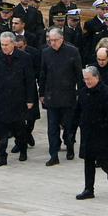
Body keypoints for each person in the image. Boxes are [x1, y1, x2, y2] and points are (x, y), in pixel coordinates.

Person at [75, 65, 108, 199]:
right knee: (88, 161)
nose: (87, 82)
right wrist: (71, 128)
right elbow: (78, 111)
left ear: (96, 77)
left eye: (89, 79)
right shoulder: (83, 92)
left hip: (103, 133)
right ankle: (89, 189)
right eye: (85, 79)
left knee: (104, 162)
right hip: (88, 132)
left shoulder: (107, 92)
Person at [0, 31, 36, 165]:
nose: (3, 47)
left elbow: (29, 80)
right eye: (2, 44)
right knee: (2, 131)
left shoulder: (24, 57)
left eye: (6, 44)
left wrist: (30, 99)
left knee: (19, 130)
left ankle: (23, 150)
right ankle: (2, 157)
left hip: (18, 99)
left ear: (13, 44)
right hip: (1, 99)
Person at [39, 28, 80, 165]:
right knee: (52, 128)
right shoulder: (46, 53)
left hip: (68, 96)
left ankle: (69, 147)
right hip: (52, 97)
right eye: (50, 40)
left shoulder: (72, 51)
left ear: (62, 39)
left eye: (55, 40)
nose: (53, 43)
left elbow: (78, 75)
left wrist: (80, 93)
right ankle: (53, 154)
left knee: (69, 126)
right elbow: (43, 74)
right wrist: (42, 94)